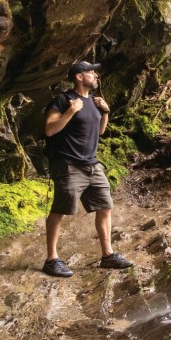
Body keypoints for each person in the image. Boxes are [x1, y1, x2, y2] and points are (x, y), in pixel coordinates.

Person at [41, 60, 134, 276]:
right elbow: (49, 130)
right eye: (90, 72)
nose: (95, 75)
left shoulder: (93, 101)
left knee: (105, 206)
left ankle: (108, 255)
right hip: (68, 164)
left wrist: (106, 112)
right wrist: (70, 111)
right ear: (79, 76)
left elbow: (99, 132)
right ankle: (51, 259)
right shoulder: (63, 100)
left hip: (92, 164)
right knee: (60, 210)